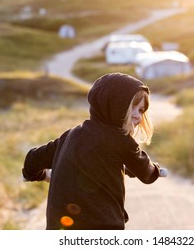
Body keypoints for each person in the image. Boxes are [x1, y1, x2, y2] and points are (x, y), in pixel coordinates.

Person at [22, 72, 166, 230]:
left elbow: (32, 160)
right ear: (114, 104)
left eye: (142, 111)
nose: (138, 116)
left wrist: (41, 175)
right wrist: (156, 170)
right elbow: (146, 173)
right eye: (134, 107)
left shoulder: (70, 135)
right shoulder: (122, 142)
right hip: (103, 227)